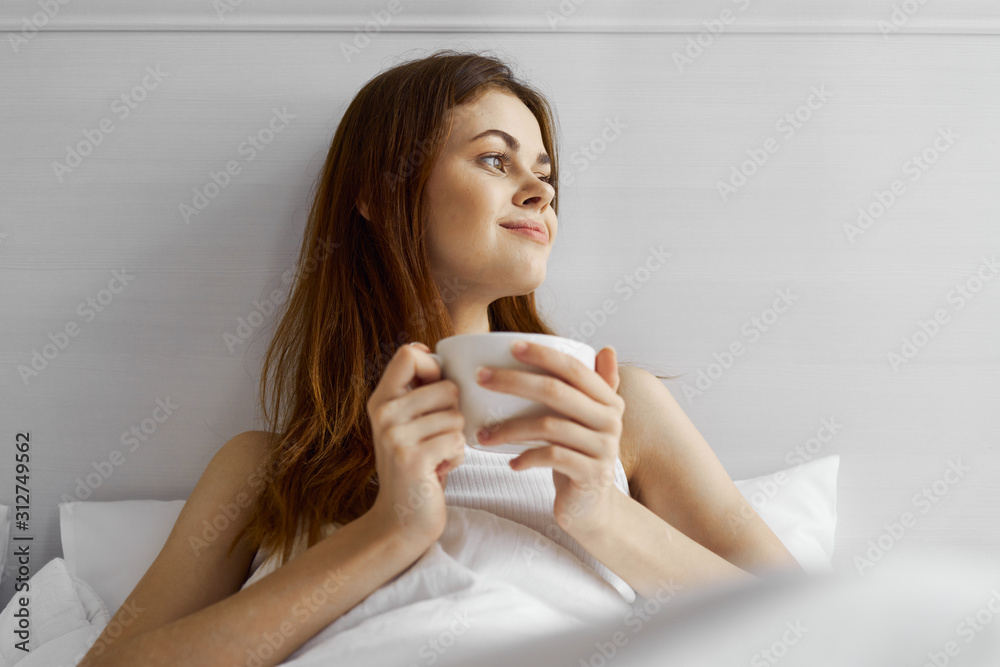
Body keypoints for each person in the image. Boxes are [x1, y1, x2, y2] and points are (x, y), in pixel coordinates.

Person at [79, 48, 801, 667]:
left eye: (544, 172)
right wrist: (389, 531)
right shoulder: (269, 468)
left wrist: (602, 513)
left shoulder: (618, 410)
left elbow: (809, 634)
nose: (541, 191)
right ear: (378, 192)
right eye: (494, 159)